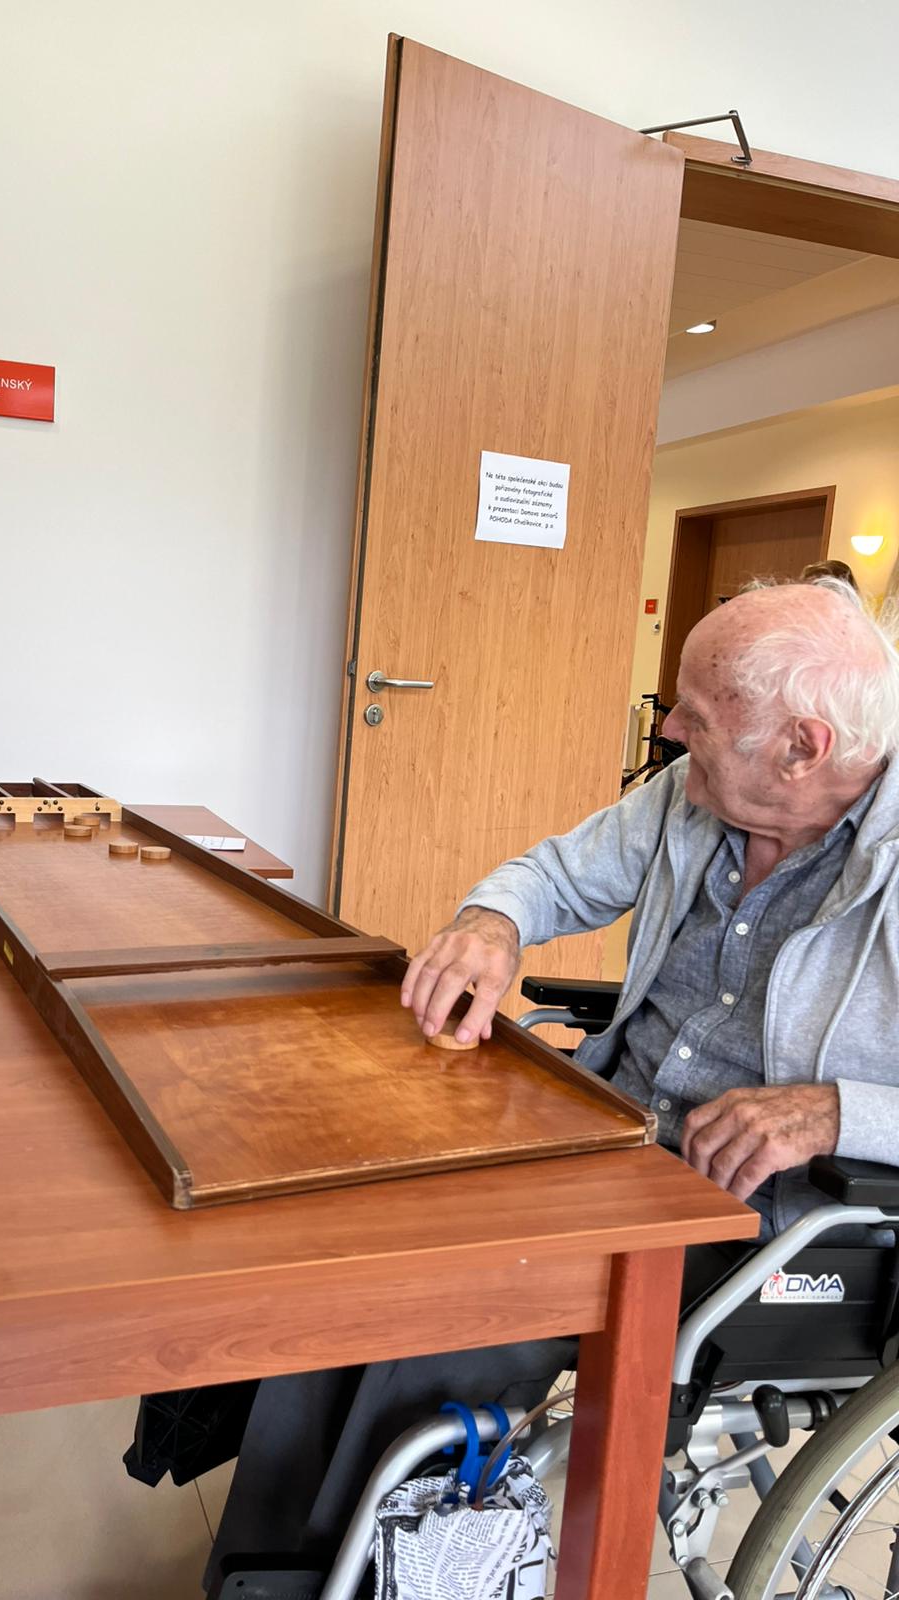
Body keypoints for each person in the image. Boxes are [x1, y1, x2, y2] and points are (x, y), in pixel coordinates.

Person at [206, 579, 899, 1588]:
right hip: (617, 1137)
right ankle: (270, 1569)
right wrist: (492, 924)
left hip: (771, 1218)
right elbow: (554, 875)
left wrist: (836, 1110)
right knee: (356, 1232)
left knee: (451, 1306)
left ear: (803, 746)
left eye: (698, 716)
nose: (669, 729)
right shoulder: (695, 796)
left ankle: (345, 1575)